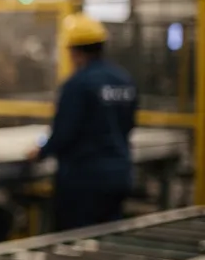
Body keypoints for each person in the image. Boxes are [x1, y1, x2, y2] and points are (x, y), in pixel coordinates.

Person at [30, 13, 138, 230]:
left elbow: (64, 133)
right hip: (119, 175)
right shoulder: (124, 80)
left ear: (74, 51)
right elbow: (128, 123)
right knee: (108, 239)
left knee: (75, 243)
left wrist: (40, 152)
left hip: (84, 181)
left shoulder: (78, 85)